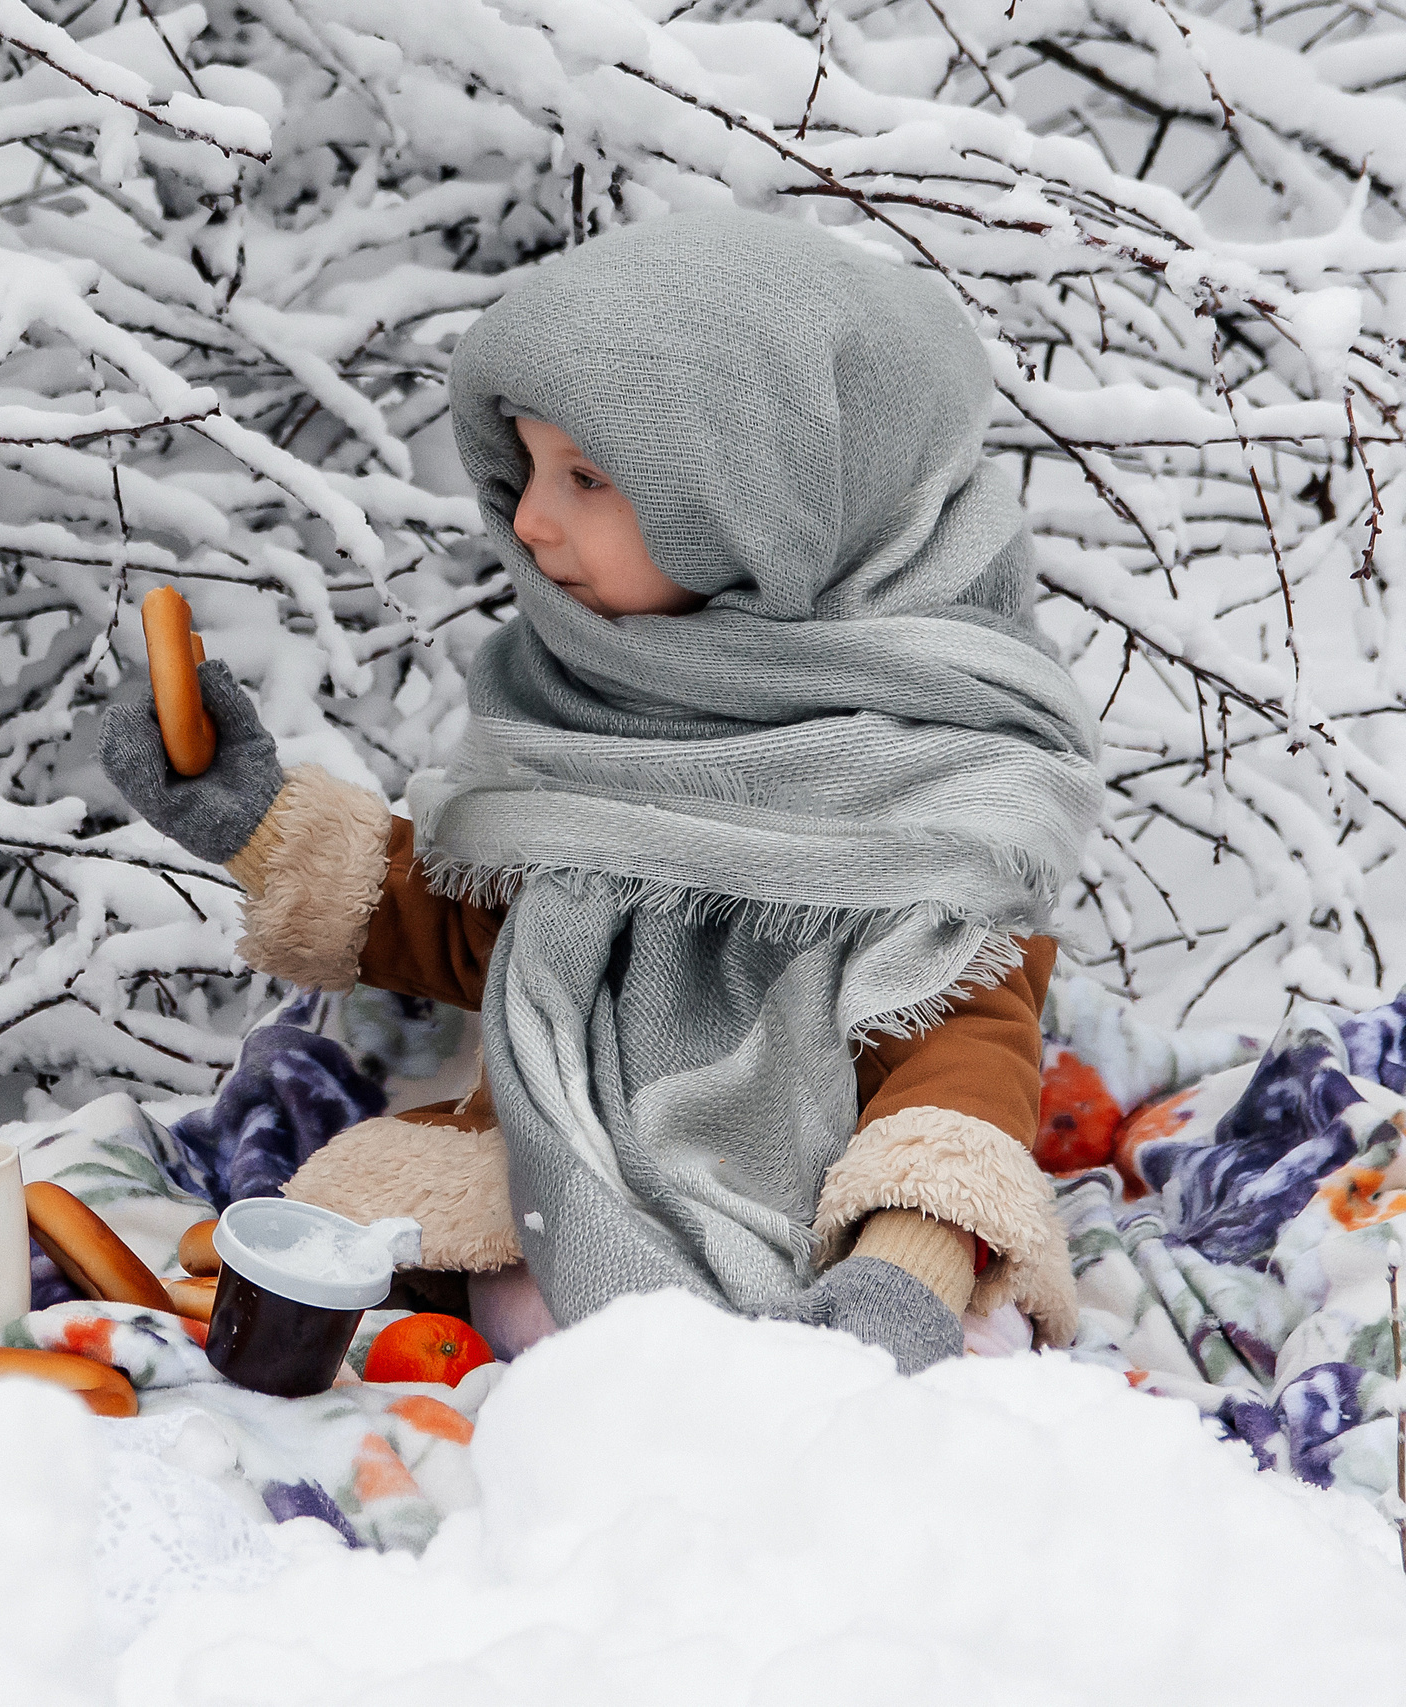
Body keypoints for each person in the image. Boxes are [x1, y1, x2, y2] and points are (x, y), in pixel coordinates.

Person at [102, 209, 1101, 1373]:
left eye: (585, 477)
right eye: (524, 468)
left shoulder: (941, 780)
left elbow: (959, 1058)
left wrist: (907, 1268)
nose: (529, 520)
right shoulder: (584, 704)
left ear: (768, 508)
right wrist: (259, 821)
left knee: (966, 1358)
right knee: (524, 1302)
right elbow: (483, 925)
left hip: (839, 1223)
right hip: (574, 1169)